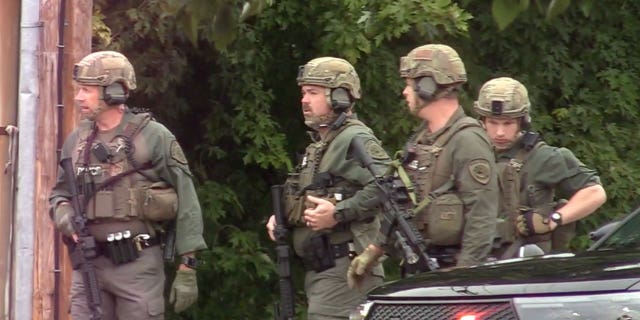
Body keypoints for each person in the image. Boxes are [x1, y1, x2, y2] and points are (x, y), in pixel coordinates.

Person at [49, 51, 207, 319]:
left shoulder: (153, 136)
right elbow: (59, 193)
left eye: (86, 90)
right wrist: (65, 217)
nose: (78, 97)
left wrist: (188, 265)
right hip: (89, 264)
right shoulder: (77, 140)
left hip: (137, 266)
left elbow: (187, 198)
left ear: (113, 92)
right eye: (79, 90)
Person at [347, 44, 499, 288]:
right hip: (421, 271)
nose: (405, 92)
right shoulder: (421, 140)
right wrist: (374, 250)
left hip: (452, 273)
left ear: (427, 87)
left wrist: (463, 279)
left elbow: (481, 217)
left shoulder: (468, 140)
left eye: (409, 84)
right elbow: (400, 205)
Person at [265, 57, 389, 319]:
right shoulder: (320, 144)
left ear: (340, 97)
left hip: (345, 270)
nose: (304, 100)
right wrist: (282, 216)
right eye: (303, 93)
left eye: (313, 92)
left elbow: (387, 186)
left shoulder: (355, 137)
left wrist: (339, 212)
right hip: (325, 271)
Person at [472, 76, 607, 255]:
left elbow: (595, 193)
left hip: (526, 264)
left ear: (522, 121)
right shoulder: (471, 155)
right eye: (493, 123)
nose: (500, 132)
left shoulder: (543, 157)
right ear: (482, 121)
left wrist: (553, 219)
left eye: (508, 123)